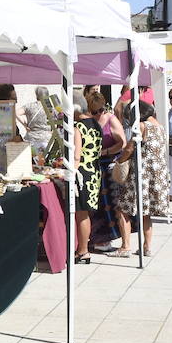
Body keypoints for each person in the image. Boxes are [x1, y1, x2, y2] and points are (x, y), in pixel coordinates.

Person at [116, 102, 171, 256]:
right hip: (157, 175)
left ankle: (125, 246)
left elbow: (130, 148)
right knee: (146, 212)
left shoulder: (141, 126)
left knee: (122, 208)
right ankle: (147, 246)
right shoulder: (160, 127)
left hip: (142, 174)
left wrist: (120, 161)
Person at [89, 91, 129, 256]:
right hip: (98, 168)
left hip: (112, 166)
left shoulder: (111, 120)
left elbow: (123, 144)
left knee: (117, 206)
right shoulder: (90, 121)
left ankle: (125, 244)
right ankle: (103, 240)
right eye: (95, 111)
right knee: (100, 206)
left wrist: (104, 152)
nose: (99, 114)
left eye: (101, 110)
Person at [71, 96, 102, 264]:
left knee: (81, 213)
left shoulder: (78, 127)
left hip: (82, 173)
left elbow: (77, 155)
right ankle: (83, 248)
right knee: (86, 212)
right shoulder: (97, 124)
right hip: (94, 172)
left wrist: (71, 172)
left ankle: (83, 251)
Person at [18, 85, 53, 154]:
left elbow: (16, 113)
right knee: (45, 161)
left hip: (32, 139)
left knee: (32, 162)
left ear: (36, 94)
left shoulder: (30, 106)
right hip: (46, 139)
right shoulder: (51, 107)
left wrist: (25, 125)